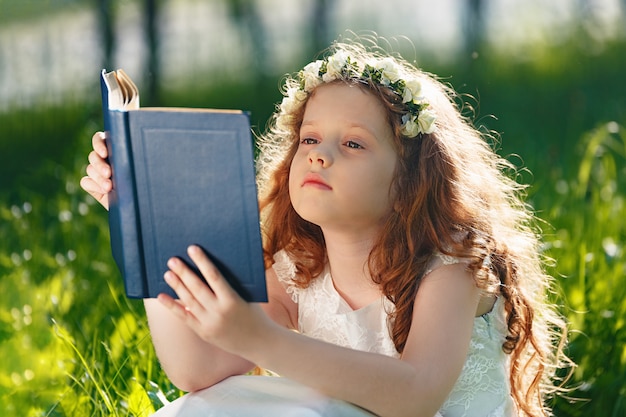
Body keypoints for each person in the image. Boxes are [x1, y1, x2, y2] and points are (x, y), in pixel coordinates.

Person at [81, 37, 571, 417]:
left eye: (353, 144)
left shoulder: (453, 265)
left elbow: (415, 396)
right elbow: (199, 372)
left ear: (411, 179)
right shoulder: (299, 268)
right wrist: (143, 221)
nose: (319, 152)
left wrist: (260, 338)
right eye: (310, 137)